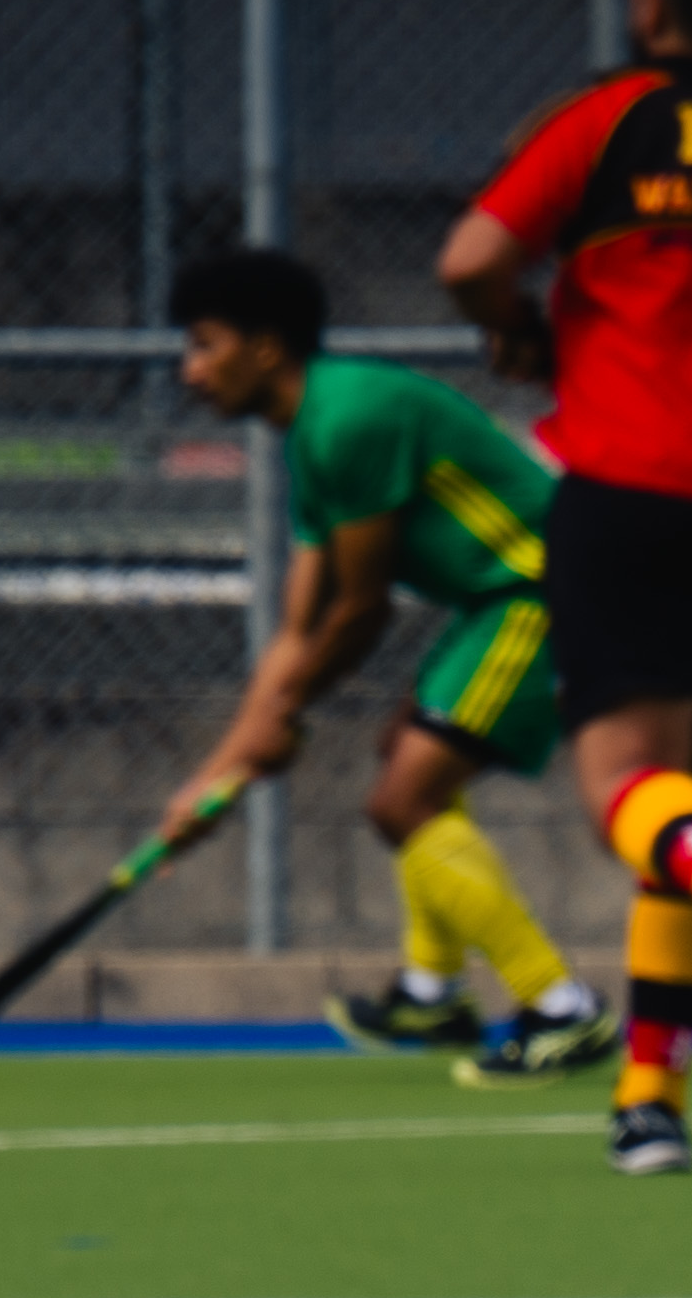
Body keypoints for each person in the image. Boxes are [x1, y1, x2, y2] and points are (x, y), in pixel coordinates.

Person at [441, 0, 692, 1174]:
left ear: (650, 9)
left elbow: (471, 259)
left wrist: (518, 328)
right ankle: (651, 1100)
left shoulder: (606, 120)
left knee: (632, 791)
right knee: (690, 794)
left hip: (632, 493)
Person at [157, 249, 618, 1082]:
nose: (190, 370)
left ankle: (562, 1007)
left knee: (403, 800)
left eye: (204, 345)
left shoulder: (348, 420)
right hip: (497, 602)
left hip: (543, 592)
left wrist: (282, 718)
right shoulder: (311, 437)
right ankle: (432, 992)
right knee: (405, 763)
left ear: (265, 348)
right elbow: (296, 632)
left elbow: (360, 611)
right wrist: (213, 778)